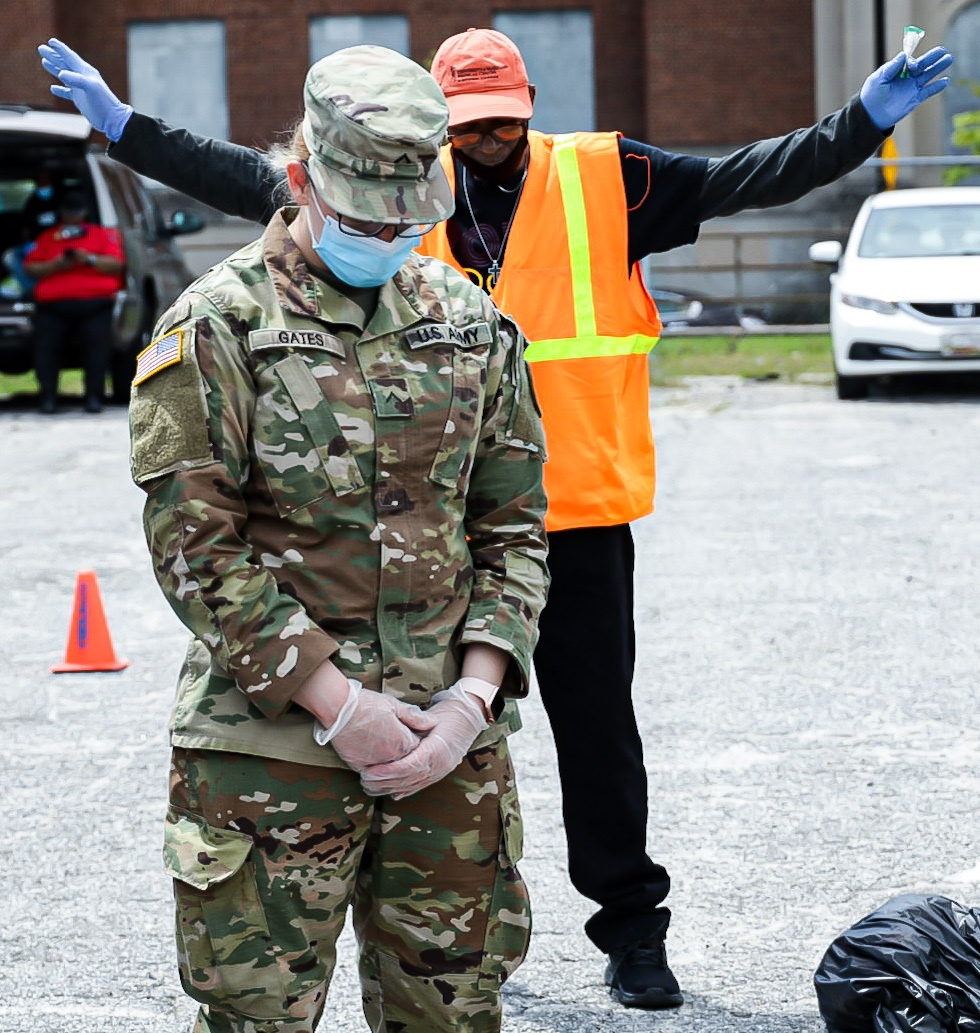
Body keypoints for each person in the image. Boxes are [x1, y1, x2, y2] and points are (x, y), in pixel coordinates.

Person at [40, 29, 953, 1009]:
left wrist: (861, 122)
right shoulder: (383, 190)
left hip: (573, 509)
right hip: (422, 519)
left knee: (599, 733)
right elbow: (244, 177)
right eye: (466, 127)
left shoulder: (612, 179)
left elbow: (754, 174)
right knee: (407, 780)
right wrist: (126, 128)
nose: (484, 143)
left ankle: (630, 927)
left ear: (526, 109)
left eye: (501, 124)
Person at [123, 46, 548, 1033]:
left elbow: (512, 525)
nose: (392, 237)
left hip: (449, 749)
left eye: (411, 221)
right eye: (366, 218)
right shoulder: (215, 324)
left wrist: (468, 700)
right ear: (303, 178)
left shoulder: (470, 321)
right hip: (270, 755)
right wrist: (337, 702)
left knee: (450, 1016)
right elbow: (194, 544)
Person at [23, 188, 124, 413]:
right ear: (62, 213)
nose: (72, 217)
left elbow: (116, 265)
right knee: (46, 350)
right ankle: (48, 398)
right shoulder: (49, 238)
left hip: (95, 305)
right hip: (53, 307)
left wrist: (87, 258)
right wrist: (56, 265)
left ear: (84, 213)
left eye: (76, 212)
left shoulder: (102, 235)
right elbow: (30, 268)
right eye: (68, 212)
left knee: (97, 351)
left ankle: (94, 398)